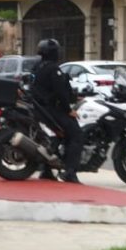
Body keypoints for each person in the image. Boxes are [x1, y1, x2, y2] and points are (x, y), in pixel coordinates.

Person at [30, 38, 82, 183]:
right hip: (51, 109)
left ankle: (46, 170)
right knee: (76, 135)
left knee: (58, 136)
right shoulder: (53, 69)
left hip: (39, 108)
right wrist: (68, 110)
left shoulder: (37, 67)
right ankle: (70, 172)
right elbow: (61, 93)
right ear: (54, 53)